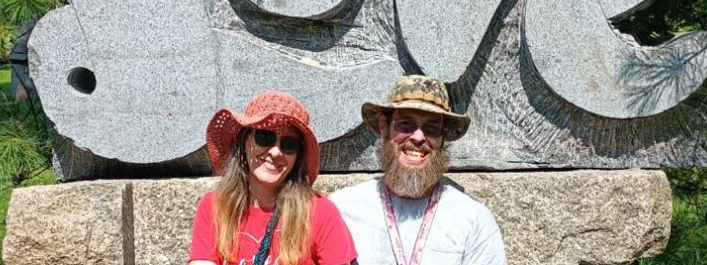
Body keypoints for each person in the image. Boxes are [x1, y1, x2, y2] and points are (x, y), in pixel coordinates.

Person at [330, 75, 508, 265]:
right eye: (406, 124)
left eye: (431, 128)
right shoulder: (342, 209)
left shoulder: (473, 220)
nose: (418, 137)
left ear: (442, 138)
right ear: (384, 127)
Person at [189, 91, 358, 265]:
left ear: (298, 157)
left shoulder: (319, 212)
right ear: (244, 142)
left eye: (288, 145)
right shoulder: (215, 206)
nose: (276, 152)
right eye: (265, 137)